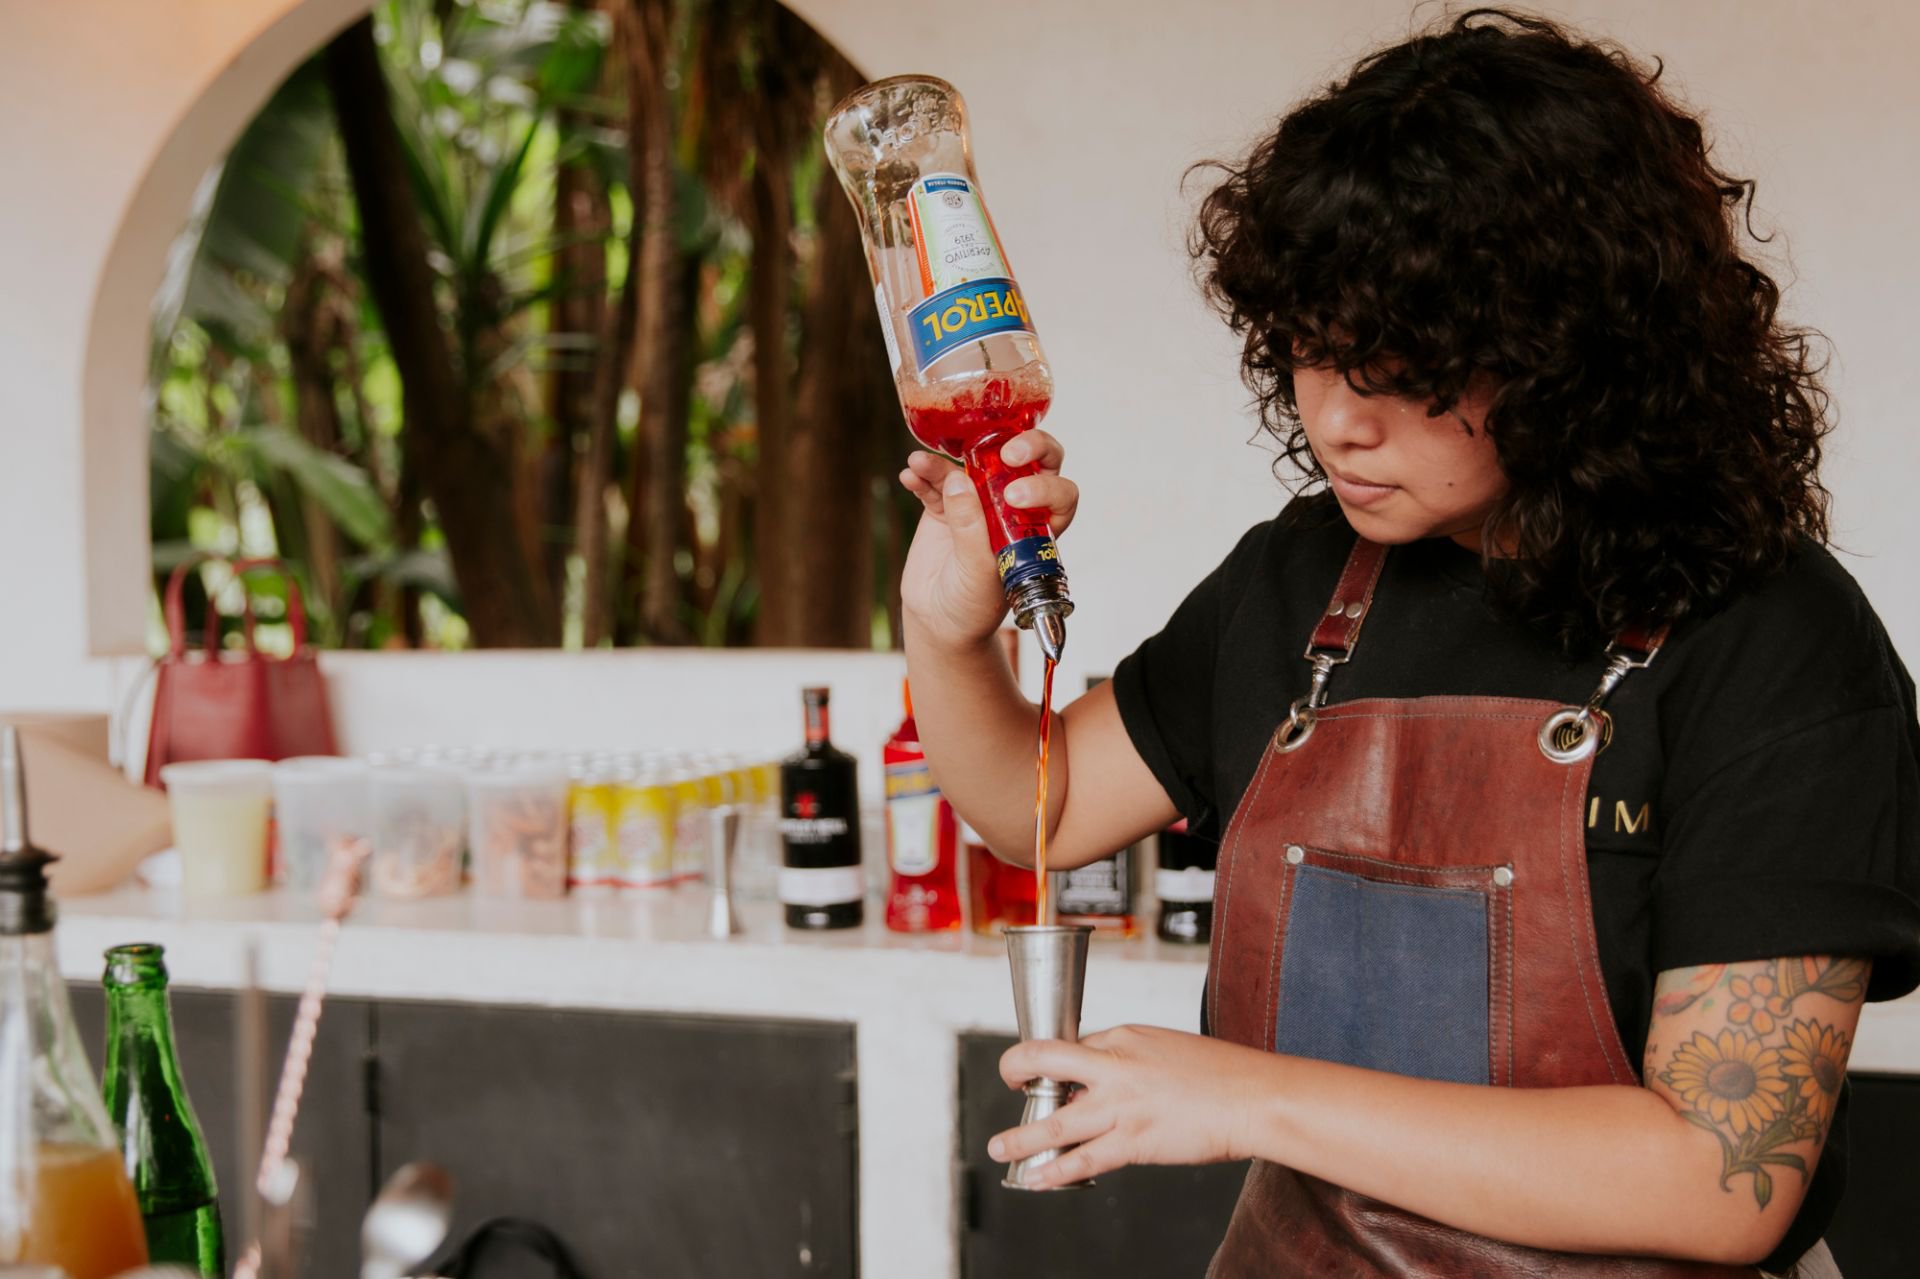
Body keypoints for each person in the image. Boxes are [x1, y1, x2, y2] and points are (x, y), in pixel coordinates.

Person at [897, 9, 1920, 1277]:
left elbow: (1718, 1177)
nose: (1336, 420)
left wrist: (1246, 1096)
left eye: (1402, 364)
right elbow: (1026, 808)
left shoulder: (1777, 643)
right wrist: (945, 628)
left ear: (1576, 354)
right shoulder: (1307, 577)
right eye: (1313, 352)